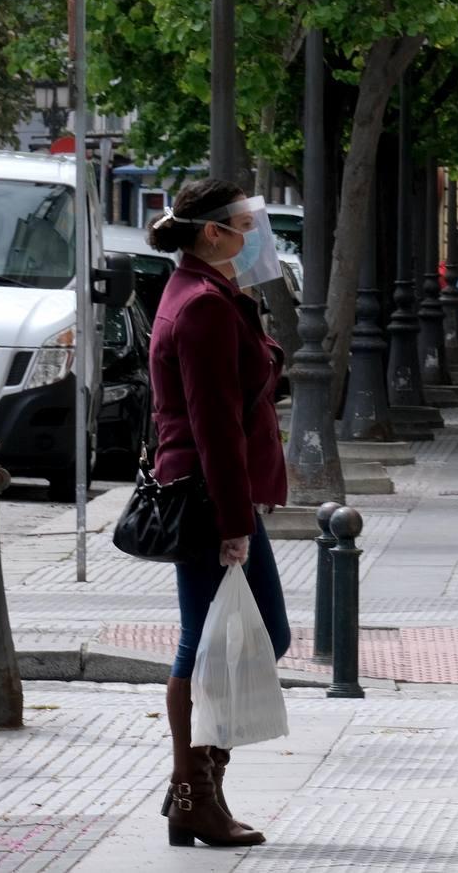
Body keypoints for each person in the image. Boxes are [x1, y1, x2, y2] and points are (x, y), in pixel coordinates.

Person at [146, 179, 292, 849]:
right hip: (208, 494)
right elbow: (213, 426)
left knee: (230, 640)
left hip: (212, 491)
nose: (254, 232)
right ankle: (192, 795)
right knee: (208, 643)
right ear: (213, 233)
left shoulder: (212, 296)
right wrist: (234, 521)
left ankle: (196, 791)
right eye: (245, 223)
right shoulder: (203, 306)